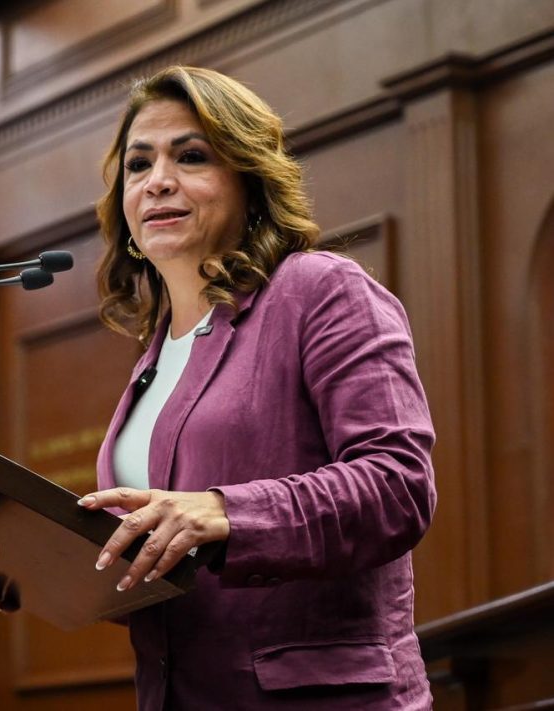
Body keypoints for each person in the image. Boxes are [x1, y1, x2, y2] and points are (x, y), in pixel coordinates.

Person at [75, 66, 436, 709]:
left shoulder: (320, 290)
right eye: (138, 164)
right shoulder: (155, 356)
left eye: (191, 156)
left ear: (250, 180)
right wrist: (45, 567)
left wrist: (225, 512)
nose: (157, 180)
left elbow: (397, 486)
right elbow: (169, 556)